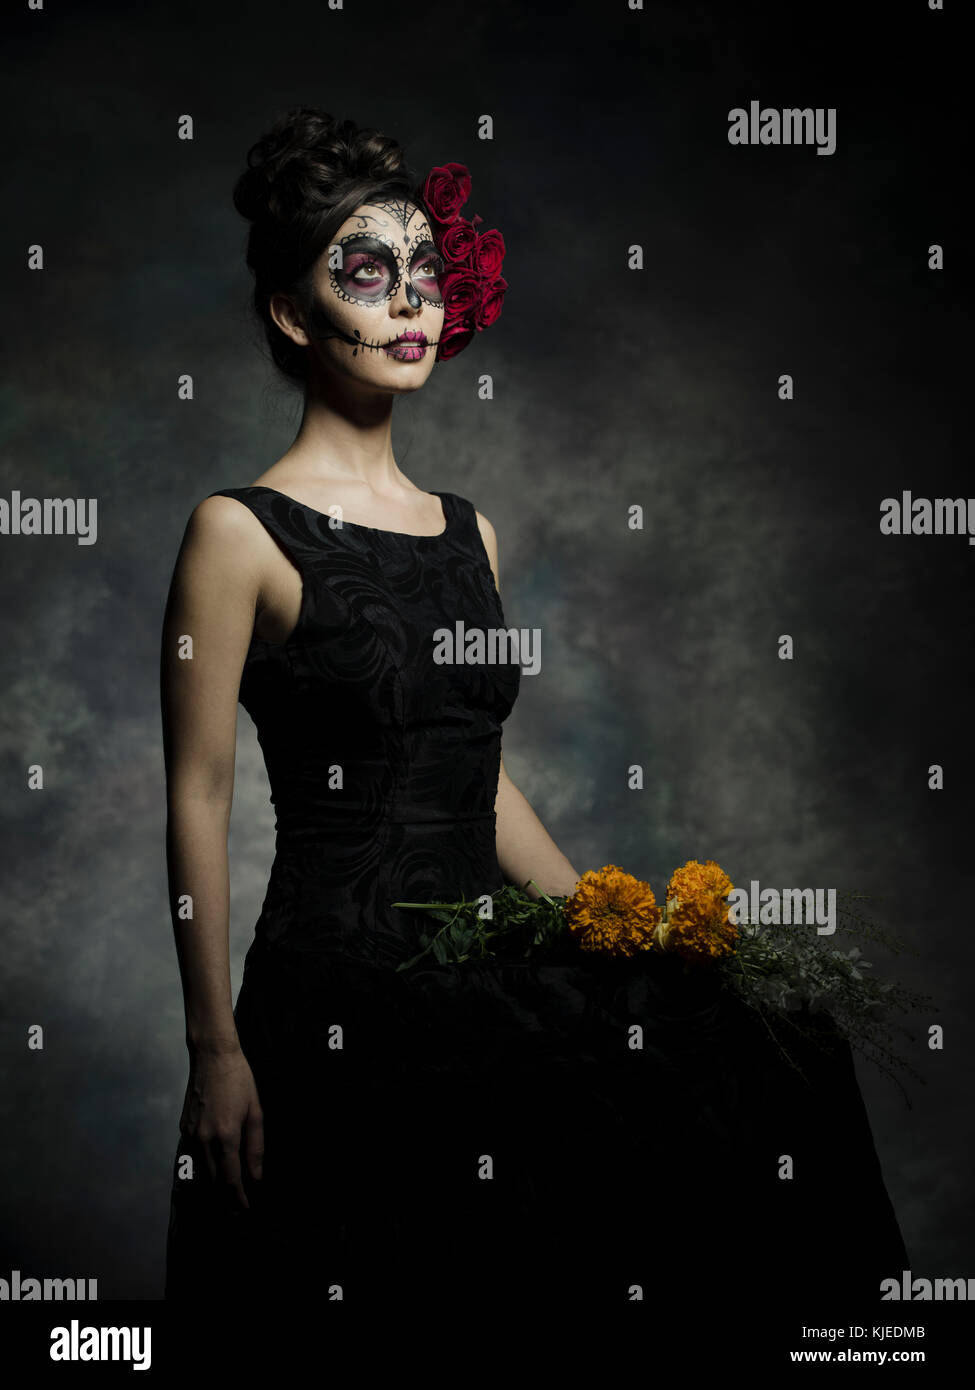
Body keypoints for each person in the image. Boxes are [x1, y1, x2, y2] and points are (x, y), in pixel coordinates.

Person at [162, 106, 907, 1314]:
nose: (409, 302)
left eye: (423, 272)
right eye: (366, 273)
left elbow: (478, 774)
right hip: (339, 995)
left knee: (764, 1051)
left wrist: (626, 936)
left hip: (478, 984)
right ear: (296, 316)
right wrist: (215, 1045)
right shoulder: (234, 533)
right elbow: (198, 794)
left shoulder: (474, 534)